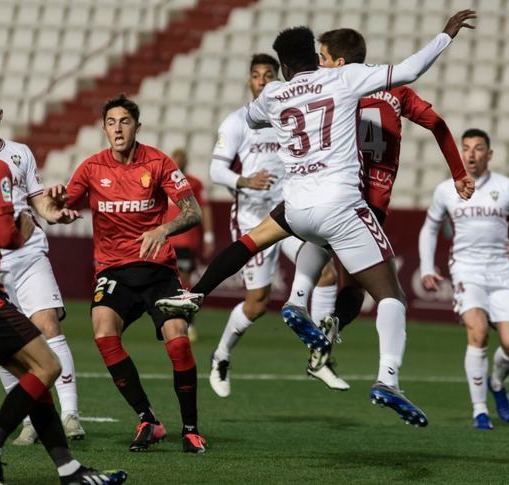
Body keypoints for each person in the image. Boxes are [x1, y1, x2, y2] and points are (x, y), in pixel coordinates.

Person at [157, 10, 477, 427]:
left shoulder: (273, 94)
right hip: (341, 206)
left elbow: (250, 117)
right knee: (390, 295)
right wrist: (445, 35)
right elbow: (412, 69)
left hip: (296, 208)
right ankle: (388, 379)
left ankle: (196, 294)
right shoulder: (342, 79)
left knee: (251, 240)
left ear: (284, 67)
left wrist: (273, 99)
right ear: (314, 56)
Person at [284, 28, 474, 390]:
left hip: (331, 191)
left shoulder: (330, 85)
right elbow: (437, 124)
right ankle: (342, 333)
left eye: (323, 57)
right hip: (372, 201)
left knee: (325, 251)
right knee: (372, 289)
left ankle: (303, 304)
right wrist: (459, 173)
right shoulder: (396, 92)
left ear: (338, 61)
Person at [0, 86, 127, 485]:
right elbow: (6, 235)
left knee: (31, 375)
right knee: (47, 364)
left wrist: (47, 212)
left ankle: (68, 470)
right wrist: (22, 226)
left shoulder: (2, 160)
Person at [51, 95, 207, 453]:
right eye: (111, 122)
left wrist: (162, 230)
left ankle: (191, 428)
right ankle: (147, 419)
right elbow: (61, 208)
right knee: (103, 330)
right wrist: (58, 205)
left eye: (124, 121)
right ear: (104, 128)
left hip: (158, 270)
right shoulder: (91, 167)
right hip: (113, 270)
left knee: (179, 338)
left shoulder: (158, 161)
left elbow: (193, 211)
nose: (118, 128)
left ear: (138, 126)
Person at [206, 53, 337, 397]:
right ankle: (220, 355)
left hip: (289, 215)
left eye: (269, 74)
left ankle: (320, 353)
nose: (262, 80)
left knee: (326, 273)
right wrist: (245, 182)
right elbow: (216, 171)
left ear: (279, 78)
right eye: (256, 75)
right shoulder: (237, 122)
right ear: (249, 81)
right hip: (253, 220)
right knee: (258, 302)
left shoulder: (291, 116)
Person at [418, 128, 509, 430]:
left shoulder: (507, 187)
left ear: (490, 154)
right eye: (466, 148)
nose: (471, 154)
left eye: (478, 148)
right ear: (460, 153)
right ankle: (480, 412)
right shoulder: (446, 190)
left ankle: (496, 382)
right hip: (466, 270)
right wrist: (426, 266)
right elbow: (429, 229)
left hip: (501, 272)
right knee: (478, 331)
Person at [0, 136, 86, 446]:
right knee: (5, 346)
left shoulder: (20, 153)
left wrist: (54, 214)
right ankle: (32, 420)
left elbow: (39, 202)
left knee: (47, 325)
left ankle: (70, 413)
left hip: (28, 254)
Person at [165, 148, 216, 342]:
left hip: (186, 240)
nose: (179, 163)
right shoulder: (162, 182)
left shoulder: (194, 184)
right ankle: (169, 323)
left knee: (184, 283)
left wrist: (209, 237)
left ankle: (189, 323)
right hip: (166, 240)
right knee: (167, 283)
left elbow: (205, 209)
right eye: (176, 159)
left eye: (182, 159)